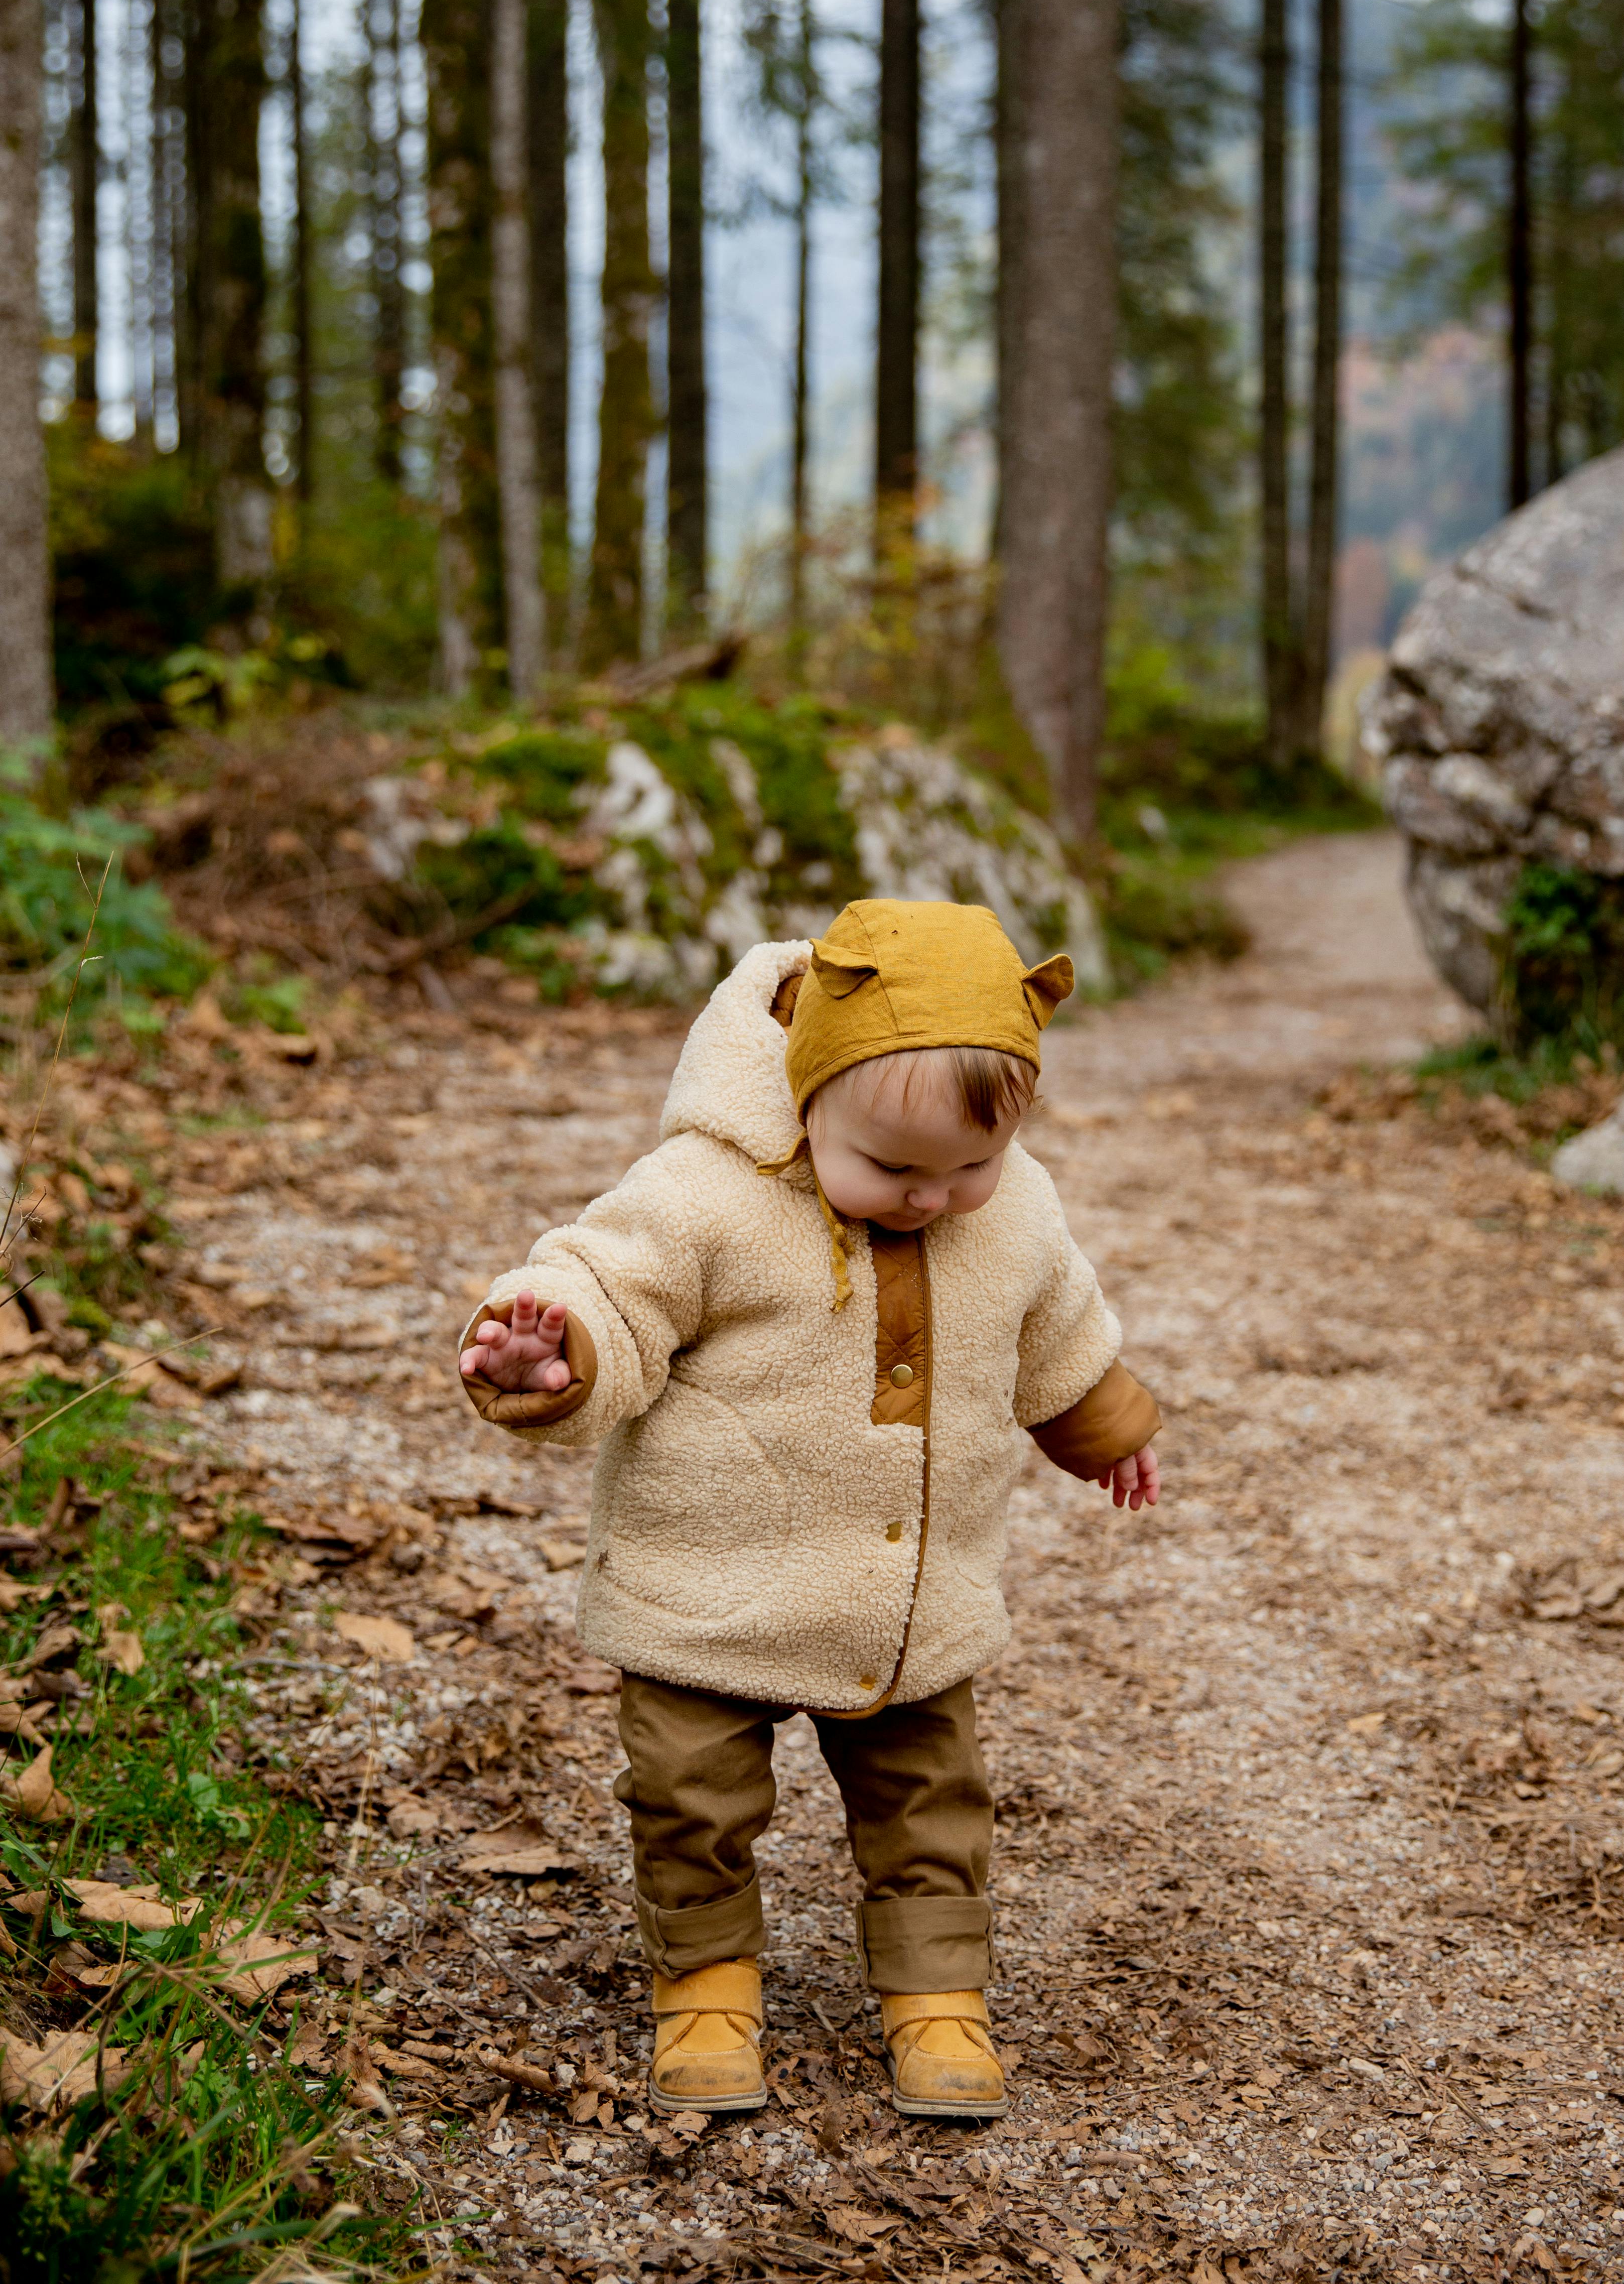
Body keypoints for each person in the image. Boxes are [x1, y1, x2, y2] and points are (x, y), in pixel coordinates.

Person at [458, 898, 1162, 2124]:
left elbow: (1055, 1326)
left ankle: (937, 1993)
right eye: (892, 1169)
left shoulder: (1015, 1209)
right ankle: (708, 1981)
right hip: (707, 1585)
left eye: (969, 1169)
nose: (932, 1201)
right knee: (690, 1790)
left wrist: (1103, 1431)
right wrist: (552, 1347)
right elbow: (608, 1289)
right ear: (805, 1095)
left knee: (932, 1794)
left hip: (906, 1606)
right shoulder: (707, 1193)